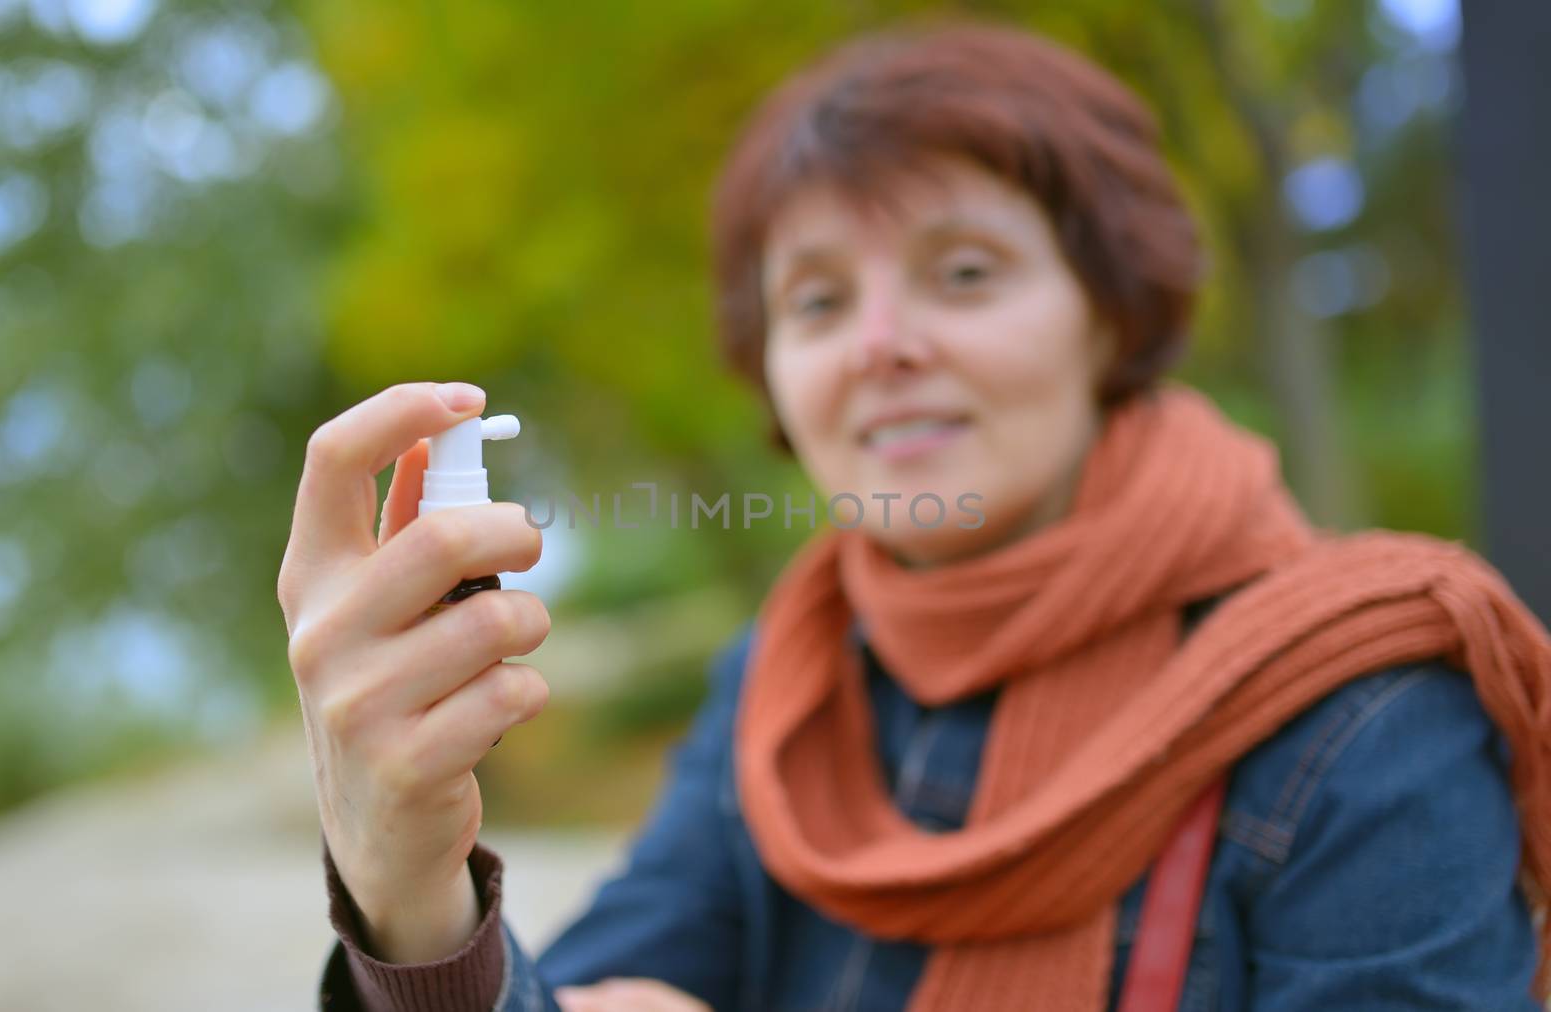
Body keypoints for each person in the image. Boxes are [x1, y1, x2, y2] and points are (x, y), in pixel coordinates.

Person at [276, 18, 1551, 1012]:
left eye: (963, 272)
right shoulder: (789, 676)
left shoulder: (1371, 717)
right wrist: (407, 891)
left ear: (1106, 312)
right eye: (819, 301)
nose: (881, 345)